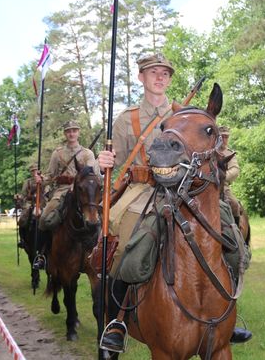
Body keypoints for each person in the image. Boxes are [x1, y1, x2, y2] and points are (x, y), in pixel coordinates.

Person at [97, 53, 252, 352]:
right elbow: (110, 159)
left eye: (165, 73)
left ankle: (225, 315)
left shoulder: (182, 112)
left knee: (229, 232)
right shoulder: (127, 119)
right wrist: (102, 160)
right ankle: (117, 321)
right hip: (143, 188)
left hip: (186, 187)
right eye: (153, 72)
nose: (159, 77)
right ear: (141, 77)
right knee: (130, 238)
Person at [32, 120, 99, 270]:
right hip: (62, 190)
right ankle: (41, 255)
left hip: (82, 191)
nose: (72, 133)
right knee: (43, 218)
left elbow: (91, 176)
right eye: (69, 131)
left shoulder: (87, 153)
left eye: (74, 130)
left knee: (98, 219)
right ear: (65, 134)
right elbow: (50, 175)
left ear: (78, 132)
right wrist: (40, 180)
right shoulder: (58, 153)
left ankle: (98, 253)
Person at [218, 126, 242, 225]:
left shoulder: (229, 153)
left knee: (234, 204)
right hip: (206, 184)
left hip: (223, 187)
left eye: (226, 137)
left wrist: (222, 176)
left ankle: (237, 232)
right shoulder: (209, 150)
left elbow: (235, 170)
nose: (224, 139)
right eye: (222, 137)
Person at [15, 163, 39, 249]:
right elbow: (23, 195)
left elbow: (47, 191)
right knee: (22, 218)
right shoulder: (27, 182)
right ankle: (22, 240)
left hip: (42, 202)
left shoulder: (44, 179)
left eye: (36, 170)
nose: (34, 172)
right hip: (30, 203)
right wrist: (19, 197)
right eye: (32, 171)